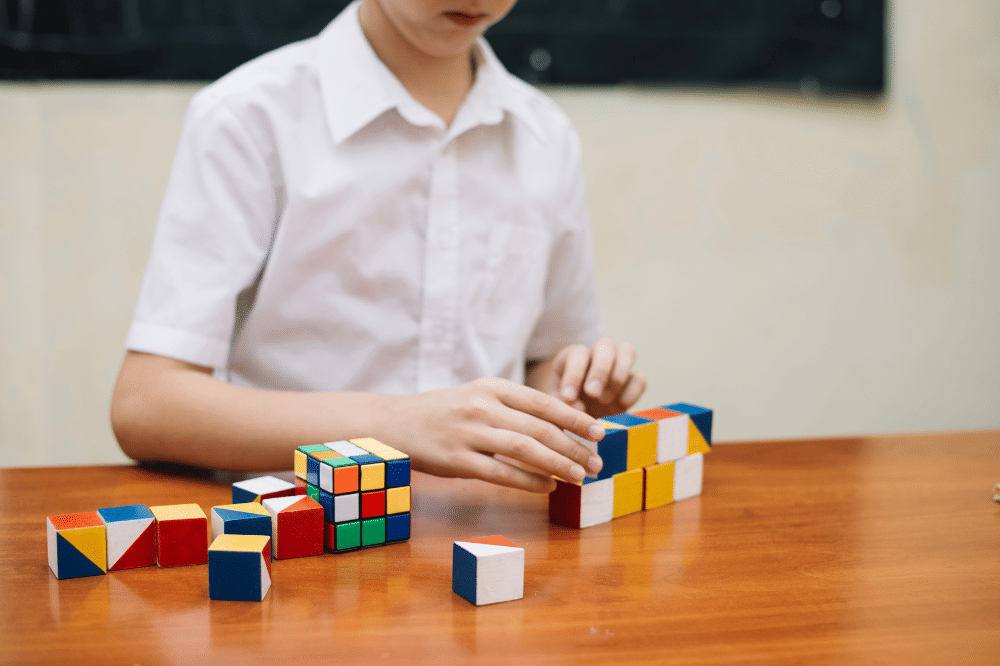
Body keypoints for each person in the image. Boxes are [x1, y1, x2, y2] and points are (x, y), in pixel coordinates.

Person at [110, 0, 647, 494]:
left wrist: (570, 396)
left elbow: (548, 354)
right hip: (296, 530)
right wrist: (395, 426)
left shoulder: (545, 137)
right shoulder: (250, 115)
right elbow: (147, 405)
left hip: (482, 534)